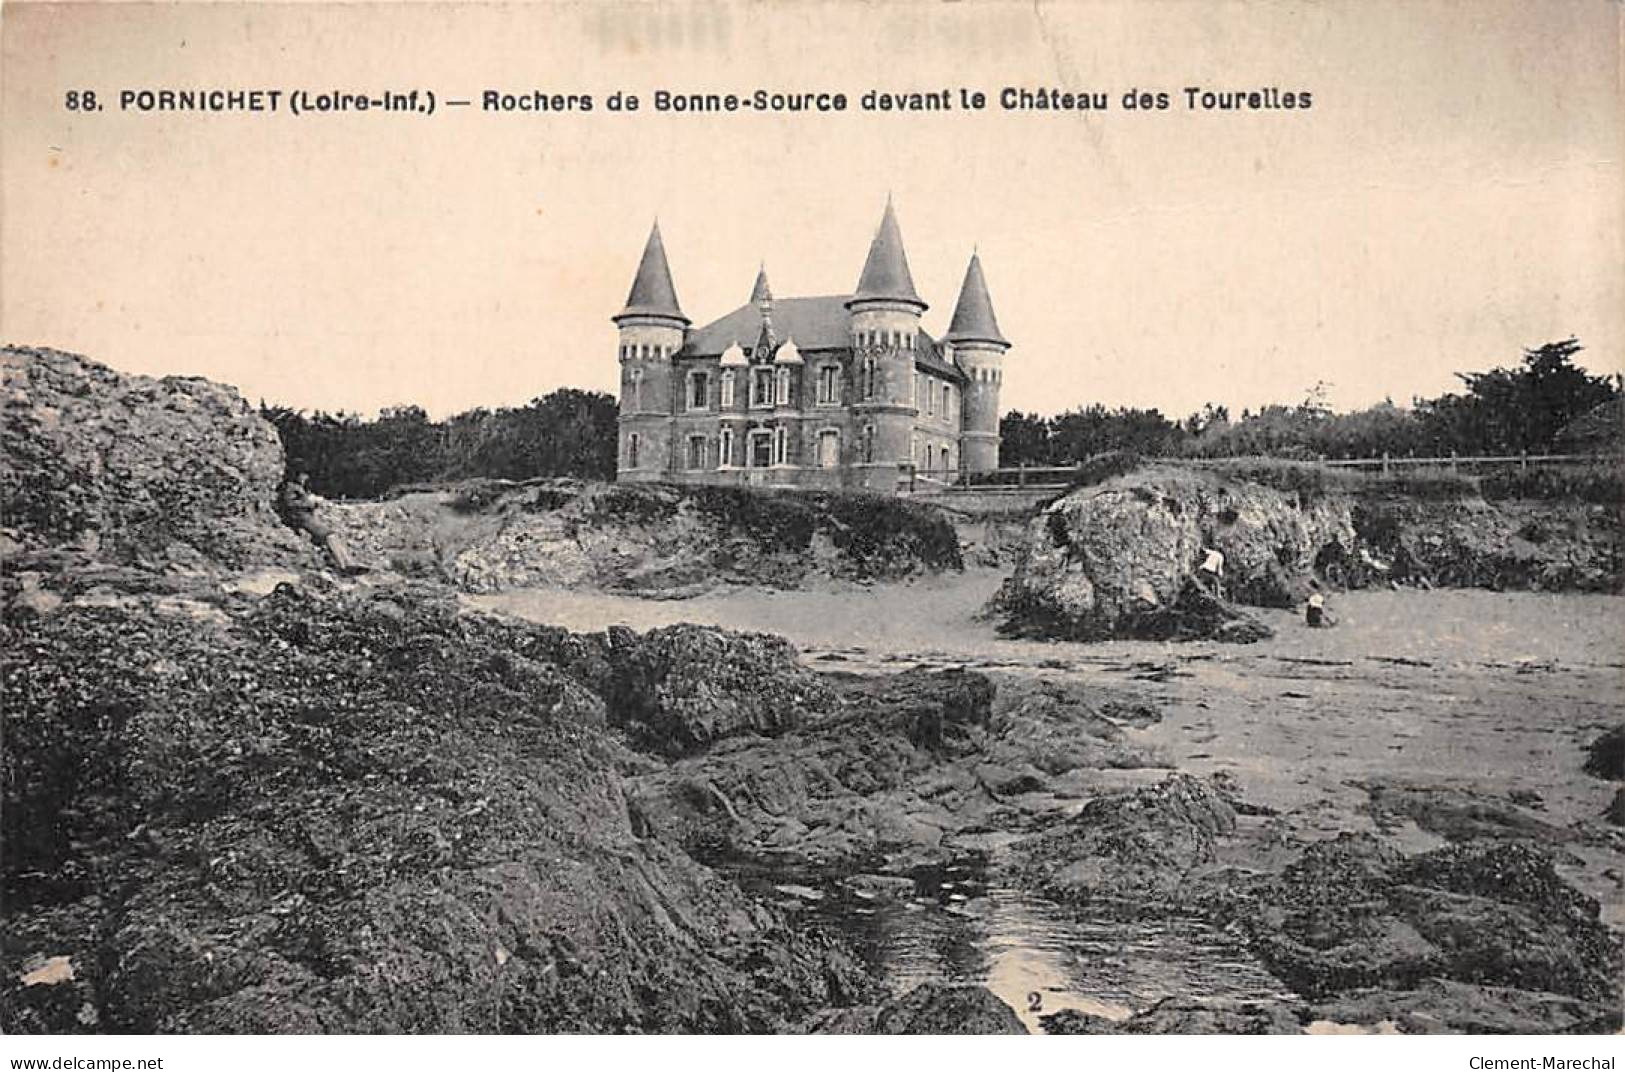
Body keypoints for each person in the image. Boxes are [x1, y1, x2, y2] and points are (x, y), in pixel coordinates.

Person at [280, 473, 363, 574]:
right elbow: (289, 504)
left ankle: (349, 563)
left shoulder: (300, 488)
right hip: (300, 518)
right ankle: (343, 565)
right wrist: (310, 502)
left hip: (307, 517)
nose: (305, 478)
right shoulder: (291, 488)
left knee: (332, 535)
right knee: (329, 536)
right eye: (303, 475)